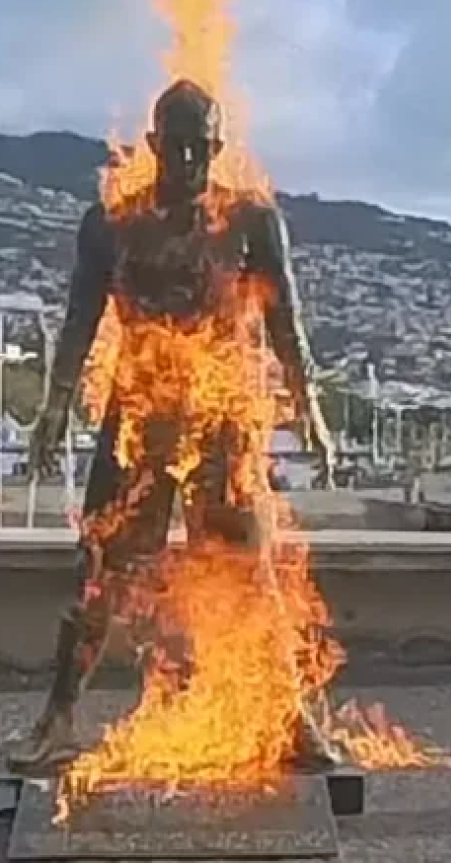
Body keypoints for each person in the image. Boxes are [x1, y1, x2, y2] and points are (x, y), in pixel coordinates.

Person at [5, 79, 339, 772]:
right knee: (98, 570)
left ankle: (293, 721)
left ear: (218, 148)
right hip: (139, 420)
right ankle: (58, 719)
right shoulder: (112, 224)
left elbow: (287, 322)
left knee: (252, 572)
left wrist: (310, 408)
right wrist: (54, 405)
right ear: (153, 144)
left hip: (219, 423)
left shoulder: (251, 221)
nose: (187, 159)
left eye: (201, 147)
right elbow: (79, 320)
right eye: (175, 145)